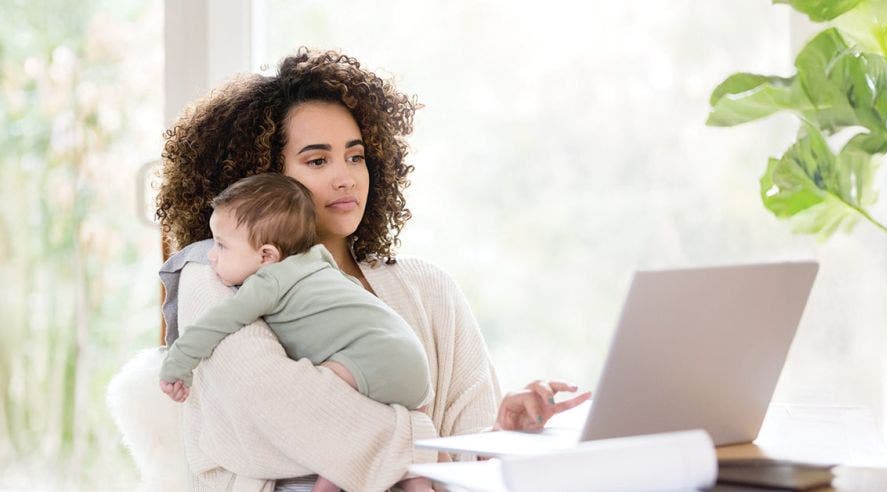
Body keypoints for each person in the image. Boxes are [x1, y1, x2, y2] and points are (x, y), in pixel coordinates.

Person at [151, 48, 590, 491]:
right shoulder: (216, 275)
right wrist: (422, 438)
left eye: (356, 156)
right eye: (318, 160)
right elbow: (275, 417)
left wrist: (503, 436)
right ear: (265, 178)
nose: (347, 177)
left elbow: (463, 465)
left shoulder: (429, 286)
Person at [160, 173, 434, 492]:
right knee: (364, 433)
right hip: (413, 365)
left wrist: (177, 364)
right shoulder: (319, 260)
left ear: (266, 256)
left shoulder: (267, 282)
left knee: (326, 420)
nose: (211, 255)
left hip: (372, 359)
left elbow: (216, 323)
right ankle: (420, 483)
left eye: (221, 245)